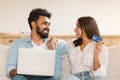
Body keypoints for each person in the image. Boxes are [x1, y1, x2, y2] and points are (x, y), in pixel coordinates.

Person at [6, 8, 67, 80]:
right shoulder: (17, 44)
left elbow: (69, 46)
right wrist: (18, 71)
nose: (48, 27)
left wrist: (55, 39)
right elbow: (10, 68)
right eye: (44, 23)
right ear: (33, 24)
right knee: (17, 78)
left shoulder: (55, 44)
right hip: (25, 78)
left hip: (47, 79)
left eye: (49, 24)